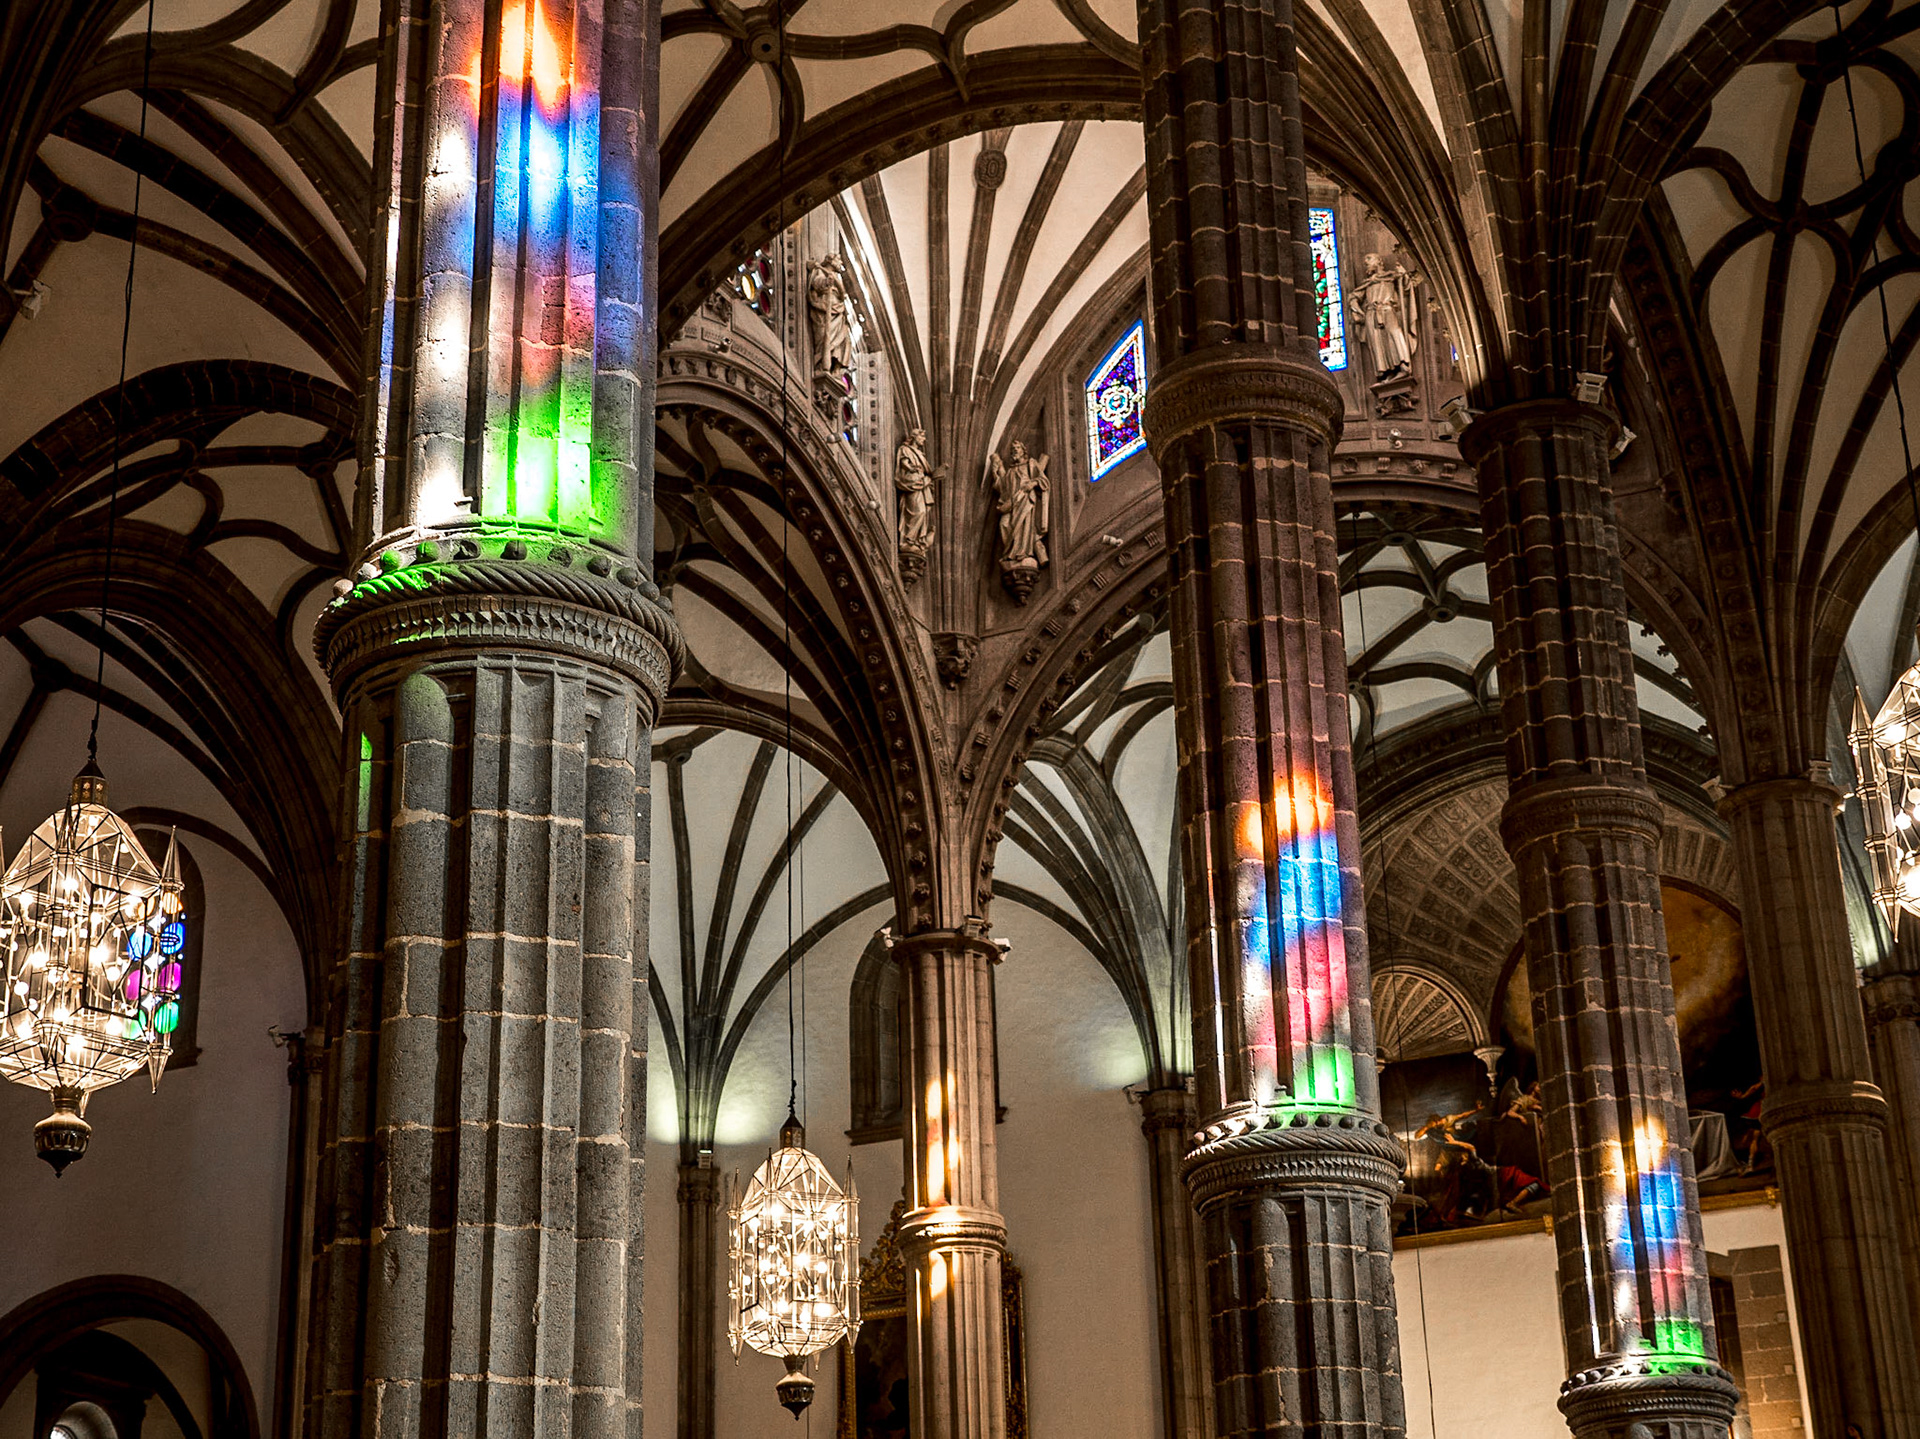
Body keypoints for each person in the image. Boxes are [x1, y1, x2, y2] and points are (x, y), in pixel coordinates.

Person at [1350, 251, 1419, 381]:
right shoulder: (1368, 283)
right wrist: (1358, 311)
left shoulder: (1391, 277)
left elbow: (1406, 287)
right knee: (1377, 341)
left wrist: (1403, 274)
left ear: (1379, 261)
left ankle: (1404, 365)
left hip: (1387, 310)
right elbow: (1354, 297)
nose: (1366, 263)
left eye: (1369, 259)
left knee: (1395, 333)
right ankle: (1386, 372)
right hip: (1371, 313)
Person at [895, 427, 935, 558]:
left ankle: (917, 541)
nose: (924, 439)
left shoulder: (920, 454)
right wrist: (912, 468)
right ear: (915, 437)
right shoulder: (905, 449)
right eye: (922, 437)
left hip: (921, 486)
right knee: (918, 512)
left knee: (923, 512)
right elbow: (904, 463)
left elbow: (926, 471)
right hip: (912, 484)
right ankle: (908, 540)